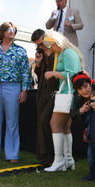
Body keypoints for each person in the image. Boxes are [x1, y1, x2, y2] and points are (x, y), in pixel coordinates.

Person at [0, 22, 31, 163]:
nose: (12, 32)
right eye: (9, 29)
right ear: (2, 32)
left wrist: (24, 90)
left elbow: (26, 72)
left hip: (14, 87)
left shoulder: (21, 51)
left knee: (12, 122)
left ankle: (12, 155)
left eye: (14, 30)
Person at [41, 30, 84, 172]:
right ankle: (68, 160)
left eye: (51, 45)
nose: (50, 48)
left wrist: (53, 73)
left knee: (55, 124)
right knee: (65, 127)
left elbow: (72, 74)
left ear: (57, 42)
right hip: (67, 94)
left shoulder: (68, 53)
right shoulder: (64, 53)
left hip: (67, 94)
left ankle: (59, 161)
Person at [31, 29, 58, 165]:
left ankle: (53, 154)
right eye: (37, 45)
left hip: (54, 91)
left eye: (41, 44)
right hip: (42, 91)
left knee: (45, 121)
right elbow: (38, 72)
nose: (39, 47)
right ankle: (43, 156)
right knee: (41, 123)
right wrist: (38, 62)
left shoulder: (56, 51)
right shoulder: (41, 53)